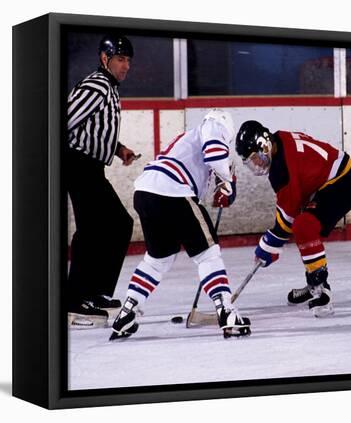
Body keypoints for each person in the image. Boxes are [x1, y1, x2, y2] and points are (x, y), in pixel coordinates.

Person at [110, 109, 251, 340]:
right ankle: (226, 312)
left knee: (157, 259)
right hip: (173, 191)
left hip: (146, 192)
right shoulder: (213, 126)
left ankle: (127, 311)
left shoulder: (189, 140)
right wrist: (227, 178)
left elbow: (205, 181)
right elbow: (215, 155)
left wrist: (221, 186)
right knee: (207, 254)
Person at [235, 121, 351, 317]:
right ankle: (313, 283)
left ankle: (321, 288)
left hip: (341, 186)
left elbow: (287, 221)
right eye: (250, 162)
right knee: (303, 223)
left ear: (264, 145)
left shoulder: (280, 170)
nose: (257, 165)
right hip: (333, 183)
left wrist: (269, 244)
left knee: (303, 225)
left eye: (255, 158)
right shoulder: (280, 137)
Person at [66, 35, 139, 328]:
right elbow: (65, 120)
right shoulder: (96, 85)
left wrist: (118, 148)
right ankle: (73, 299)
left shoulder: (109, 87)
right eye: (120, 59)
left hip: (90, 166)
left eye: (128, 60)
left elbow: (95, 127)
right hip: (77, 163)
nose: (126, 66)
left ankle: (94, 291)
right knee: (92, 228)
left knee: (119, 224)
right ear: (104, 59)